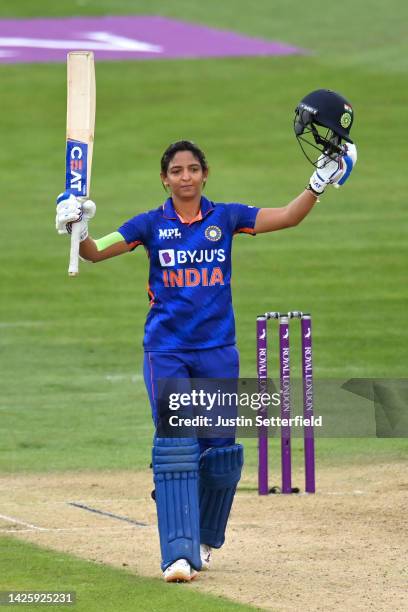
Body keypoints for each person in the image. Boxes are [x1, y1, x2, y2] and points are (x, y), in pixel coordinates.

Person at [55, 91, 357, 583]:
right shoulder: (149, 225)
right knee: (178, 446)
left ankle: (204, 537)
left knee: (219, 454)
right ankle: (178, 553)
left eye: (193, 168)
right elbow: (94, 252)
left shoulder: (227, 217)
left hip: (217, 352)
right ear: (165, 179)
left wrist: (317, 186)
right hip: (167, 351)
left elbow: (288, 216)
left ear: (204, 174)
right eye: (176, 171)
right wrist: (75, 223)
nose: (185, 177)